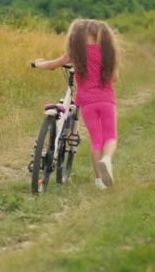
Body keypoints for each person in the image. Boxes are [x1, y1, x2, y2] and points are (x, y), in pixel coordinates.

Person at [32, 19, 119, 190]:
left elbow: (52, 65)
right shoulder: (107, 53)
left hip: (87, 102)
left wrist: (37, 63)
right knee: (110, 137)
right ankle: (107, 159)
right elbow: (114, 78)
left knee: (96, 141)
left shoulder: (76, 54)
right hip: (106, 100)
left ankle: (99, 181)